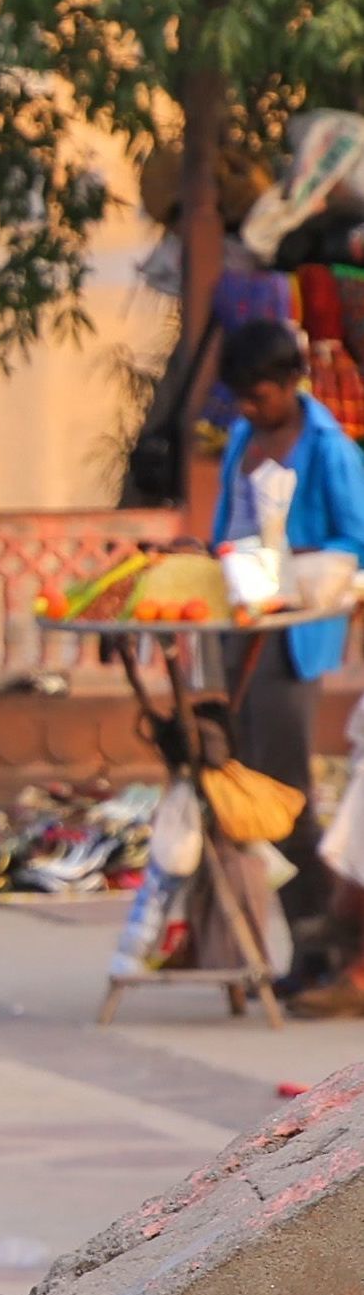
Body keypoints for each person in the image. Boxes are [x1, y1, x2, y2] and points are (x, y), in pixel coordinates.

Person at [202, 320, 364, 1010]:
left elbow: (354, 538)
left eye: (260, 397)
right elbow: (222, 527)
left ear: (292, 384)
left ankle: (320, 946)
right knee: (241, 791)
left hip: (293, 636)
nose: (248, 409)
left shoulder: (328, 447)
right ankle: (276, 944)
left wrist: (292, 572)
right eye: (241, 398)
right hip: (237, 626)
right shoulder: (243, 436)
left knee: (286, 795)